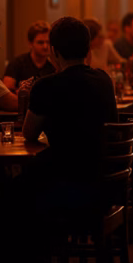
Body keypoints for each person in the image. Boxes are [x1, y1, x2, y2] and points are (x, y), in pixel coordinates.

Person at [22, 17, 118, 184]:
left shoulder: (45, 86)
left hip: (62, 181)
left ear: (54, 51)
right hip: (102, 181)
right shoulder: (104, 79)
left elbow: (29, 134)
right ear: (88, 49)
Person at [3, 21, 56, 92]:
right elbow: (7, 89)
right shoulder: (17, 63)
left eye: (48, 42)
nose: (45, 46)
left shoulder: (53, 67)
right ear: (30, 43)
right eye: (40, 42)